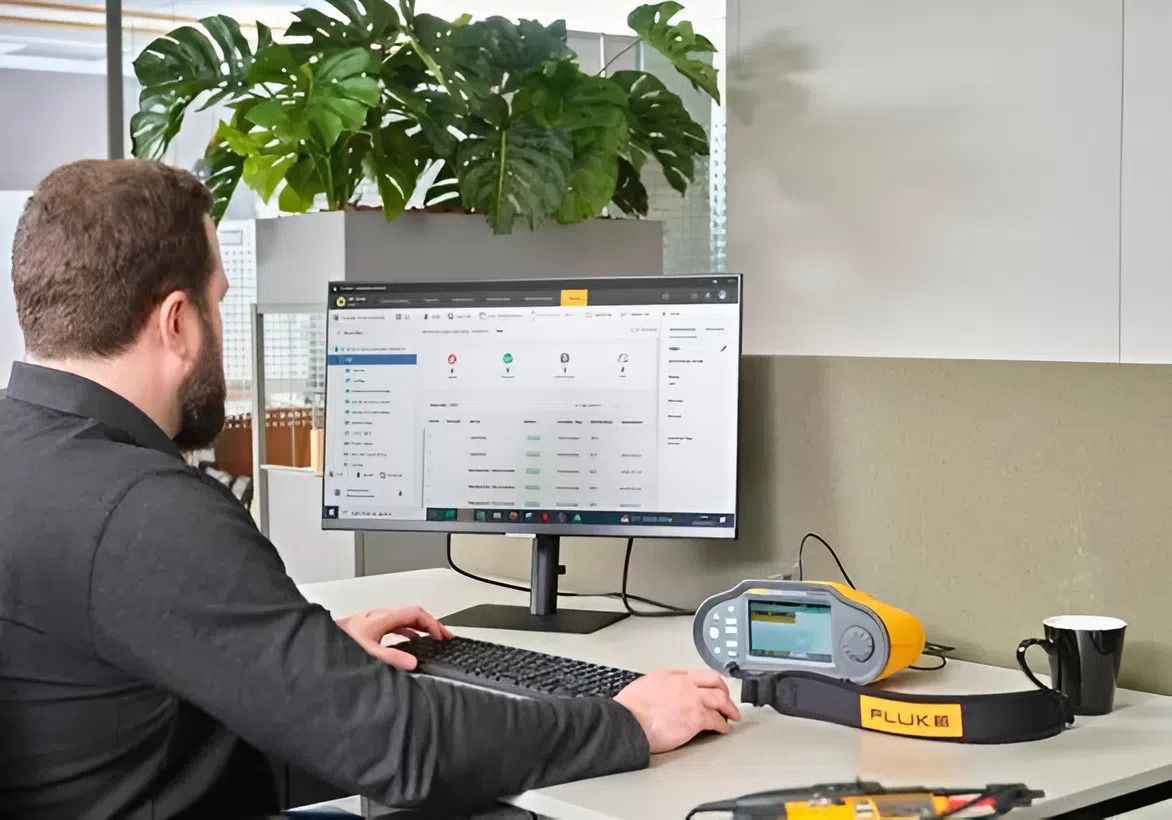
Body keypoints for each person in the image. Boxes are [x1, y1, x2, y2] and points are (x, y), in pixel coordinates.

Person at [0, 159, 741, 819]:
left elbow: (117, 701)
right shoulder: (145, 511)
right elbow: (402, 748)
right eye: (219, 301)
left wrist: (305, 667)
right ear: (176, 322)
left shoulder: (30, 457)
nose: (220, 326)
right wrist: (627, 722)